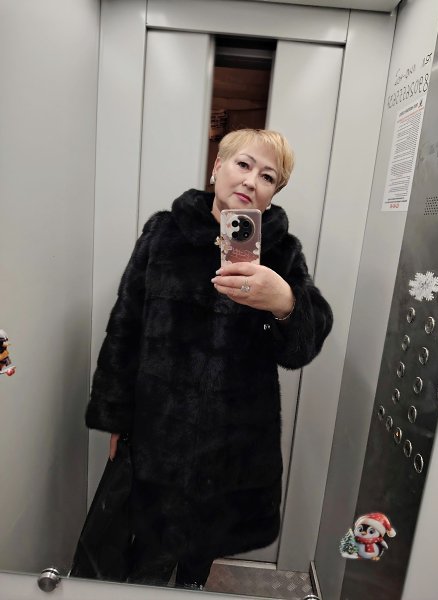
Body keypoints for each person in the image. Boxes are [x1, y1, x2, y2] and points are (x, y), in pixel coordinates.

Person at [85, 128, 333, 588]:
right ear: (217, 167)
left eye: (268, 176)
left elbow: (300, 349)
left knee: (200, 558)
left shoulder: (281, 252)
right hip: (159, 432)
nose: (251, 180)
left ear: (274, 192)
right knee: (146, 558)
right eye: (243, 164)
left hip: (235, 443)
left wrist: (285, 302)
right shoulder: (164, 233)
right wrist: (116, 417)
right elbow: (126, 326)